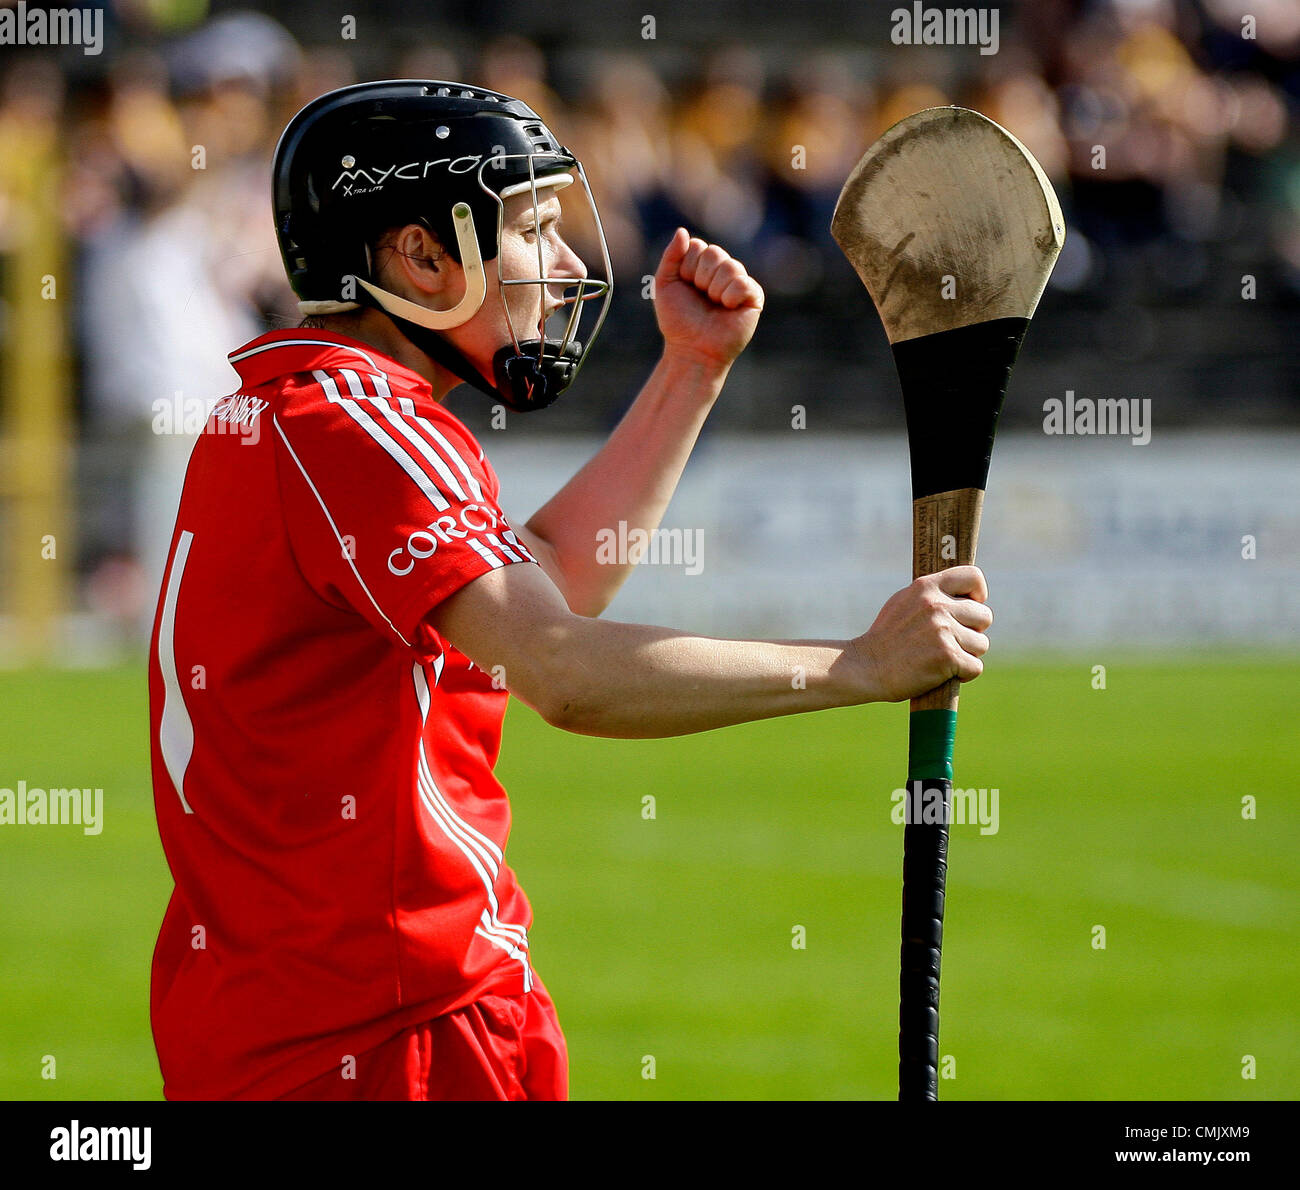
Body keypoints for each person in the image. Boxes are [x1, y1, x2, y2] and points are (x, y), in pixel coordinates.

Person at [147, 80, 993, 1101]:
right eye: (534, 231)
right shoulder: (362, 430)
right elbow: (561, 670)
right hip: (395, 1028)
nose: (565, 268)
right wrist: (855, 665)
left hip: (281, 1016)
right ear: (419, 256)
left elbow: (543, 581)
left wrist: (691, 370)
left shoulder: (284, 412)